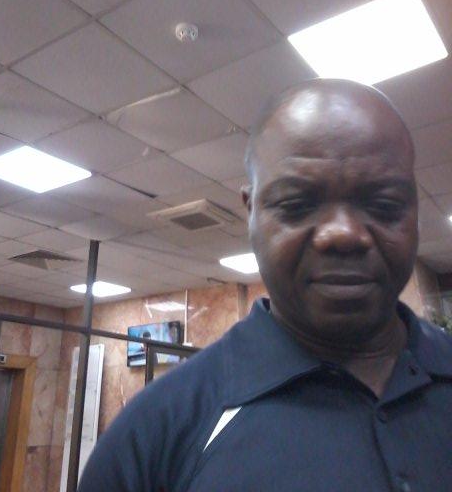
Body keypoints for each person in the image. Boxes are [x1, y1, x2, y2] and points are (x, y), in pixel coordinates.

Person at [78, 79, 452, 491]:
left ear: (415, 210)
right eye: (297, 205)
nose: (343, 233)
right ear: (251, 211)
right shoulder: (155, 432)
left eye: (384, 204)